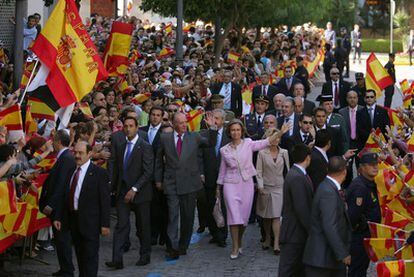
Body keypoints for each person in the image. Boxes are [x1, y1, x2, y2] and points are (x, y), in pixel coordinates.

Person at [217, 119, 289, 259]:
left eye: (238, 130)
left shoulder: (249, 143)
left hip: (246, 184)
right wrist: (218, 187)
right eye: (233, 130)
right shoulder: (224, 150)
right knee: (233, 217)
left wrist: (280, 132)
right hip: (230, 184)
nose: (236, 132)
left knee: (243, 219)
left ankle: (240, 240)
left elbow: (266, 142)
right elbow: (222, 170)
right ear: (229, 132)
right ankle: (235, 247)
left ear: (242, 131)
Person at [154, 112, 216, 259]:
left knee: (188, 217)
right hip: (171, 183)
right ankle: (173, 247)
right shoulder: (165, 138)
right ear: (173, 124)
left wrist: (212, 128)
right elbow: (158, 161)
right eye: (180, 122)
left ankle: (183, 245)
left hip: (189, 183)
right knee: (173, 216)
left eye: (185, 122)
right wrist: (158, 180)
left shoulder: (194, 137)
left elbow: (210, 143)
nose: (184, 125)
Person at [53, 141, 111, 277]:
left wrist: (105, 224)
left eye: (81, 153)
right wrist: (58, 217)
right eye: (75, 152)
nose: (77, 156)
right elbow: (64, 195)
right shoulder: (71, 170)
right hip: (73, 221)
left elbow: (105, 201)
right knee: (80, 256)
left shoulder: (98, 173)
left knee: (90, 258)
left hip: (90, 222)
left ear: (90, 154)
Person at [106, 116, 154, 269]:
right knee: (121, 225)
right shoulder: (121, 146)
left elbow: (148, 172)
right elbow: (117, 170)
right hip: (122, 192)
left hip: (140, 193)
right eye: (125, 126)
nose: (127, 129)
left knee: (143, 225)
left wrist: (135, 189)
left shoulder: (145, 146)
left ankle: (145, 255)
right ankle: (117, 259)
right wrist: (112, 188)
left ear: (137, 127)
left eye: (131, 126)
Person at [303, 156, 352, 277]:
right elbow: (329, 225)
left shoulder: (328, 187)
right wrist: (342, 253)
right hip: (323, 260)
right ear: (344, 171)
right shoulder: (328, 192)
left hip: (327, 259)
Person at [39, 130, 76, 277]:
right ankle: (65, 269)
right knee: (61, 240)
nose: (52, 143)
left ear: (58, 142)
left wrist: (51, 204)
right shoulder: (65, 157)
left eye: (54, 141)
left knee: (62, 240)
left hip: (60, 208)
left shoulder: (66, 158)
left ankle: (67, 270)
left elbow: (61, 185)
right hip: (60, 206)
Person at [278, 144, 313, 276]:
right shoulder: (297, 177)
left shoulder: (297, 174)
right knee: (288, 270)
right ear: (308, 158)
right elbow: (302, 208)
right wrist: (311, 230)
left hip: (297, 234)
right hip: (294, 234)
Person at [346, 153, 381, 277]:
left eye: (376, 164)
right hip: (359, 237)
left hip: (367, 235)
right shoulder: (359, 187)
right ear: (362, 168)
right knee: (357, 269)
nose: (375, 167)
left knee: (362, 267)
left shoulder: (370, 183)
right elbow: (352, 217)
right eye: (371, 165)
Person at [199, 109, 231, 247]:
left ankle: (223, 235)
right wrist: (201, 172)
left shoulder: (229, 136)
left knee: (223, 207)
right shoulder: (204, 134)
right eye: (213, 118)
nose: (215, 121)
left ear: (223, 120)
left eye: (217, 118)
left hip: (225, 178)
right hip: (209, 176)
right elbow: (199, 156)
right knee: (210, 206)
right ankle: (214, 232)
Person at [256, 128, 289, 254]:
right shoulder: (261, 153)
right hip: (266, 188)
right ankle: (268, 238)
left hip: (279, 188)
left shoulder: (284, 152)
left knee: (276, 216)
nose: (276, 139)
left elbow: (288, 169)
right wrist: (260, 187)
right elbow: (259, 171)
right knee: (266, 216)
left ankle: (276, 243)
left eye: (278, 137)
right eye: (273, 137)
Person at [140, 106, 169, 247]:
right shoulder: (142, 131)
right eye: (153, 114)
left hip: (160, 175)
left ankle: (163, 234)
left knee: (162, 207)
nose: (155, 117)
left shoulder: (165, 133)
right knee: (149, 208)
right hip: (144, 175)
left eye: (158, 115)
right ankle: (151, 234)